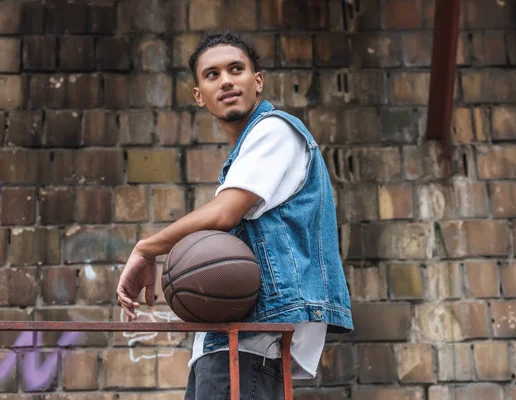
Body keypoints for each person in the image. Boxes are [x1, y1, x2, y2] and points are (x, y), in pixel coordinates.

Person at [116, 32, 353, 399]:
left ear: (256, 81)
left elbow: (225, 213)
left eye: (236, 69)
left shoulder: (275, 131)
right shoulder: (246, 155)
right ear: (199, 95)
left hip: (251, 346)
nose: (225, 80)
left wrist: (147, 249)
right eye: (211, 75)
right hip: (225, 346)